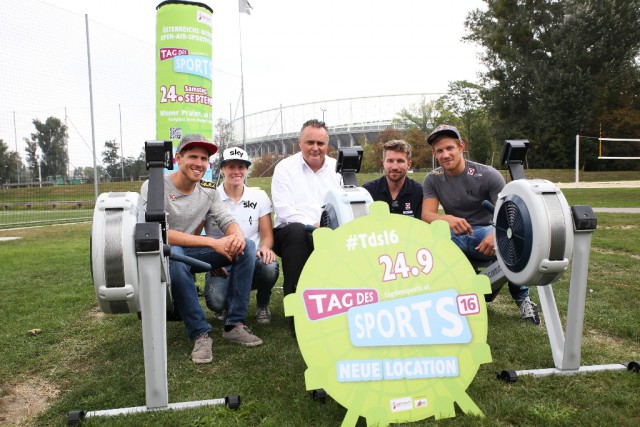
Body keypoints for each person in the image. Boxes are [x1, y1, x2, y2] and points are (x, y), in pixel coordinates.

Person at [140, 134, 263, 365]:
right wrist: (212, 242)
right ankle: (200, 333)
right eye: (193, 156)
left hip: (193, 251)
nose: (199, 163)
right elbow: (159, 233)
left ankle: (233, 324)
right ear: (178, 158)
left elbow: (226, 220)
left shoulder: (209, 190)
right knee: (175, 257)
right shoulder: (155, 185)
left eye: (204, 158)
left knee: (247, 247)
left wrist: (236, 236)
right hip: (164, 253)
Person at [421, 124, 540, 325]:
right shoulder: (433, 178)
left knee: (512, 241)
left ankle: (523, 300)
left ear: (461, 146)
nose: (445, 154)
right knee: (427, 245)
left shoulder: (487, 174)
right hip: (455, 233)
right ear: (434, 153)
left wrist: (497, 234)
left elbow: (510, 215)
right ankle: (443, 302)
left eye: (450, 148)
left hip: (485, 230)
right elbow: (427, 215)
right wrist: (447, 219)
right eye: (439, 151)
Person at [271, 119, 342, 334]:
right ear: (299, 142)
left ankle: (339, 309)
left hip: (328, 229)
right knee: (297, 233)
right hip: (291, 232)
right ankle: (298, 315)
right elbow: (285, 211)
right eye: (310, 142)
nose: (315, 148)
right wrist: (314, 226)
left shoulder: (337, 169)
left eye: (320, 143)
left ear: (327, 145)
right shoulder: (285, 168)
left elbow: (342, 202)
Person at [204, 147, 279, 325]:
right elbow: (197, 233)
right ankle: (224, 304)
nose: (236, 171)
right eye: (231, 167)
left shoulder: (259, 196)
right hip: (220, 261)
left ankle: (262, 304)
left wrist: (265, 248)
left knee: (269, 267)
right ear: (222, 169)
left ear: (246, 169)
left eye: (241, 167)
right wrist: (211, 261)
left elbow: (267, 235)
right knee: (216, 302)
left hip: (250, 259)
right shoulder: (209, 196)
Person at [362, 139, 423, 219]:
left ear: (408, 165)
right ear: (383, 162)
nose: (394, 167)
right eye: (390, 161)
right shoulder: (368, 191)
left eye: (400, 161)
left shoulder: (419, 192)